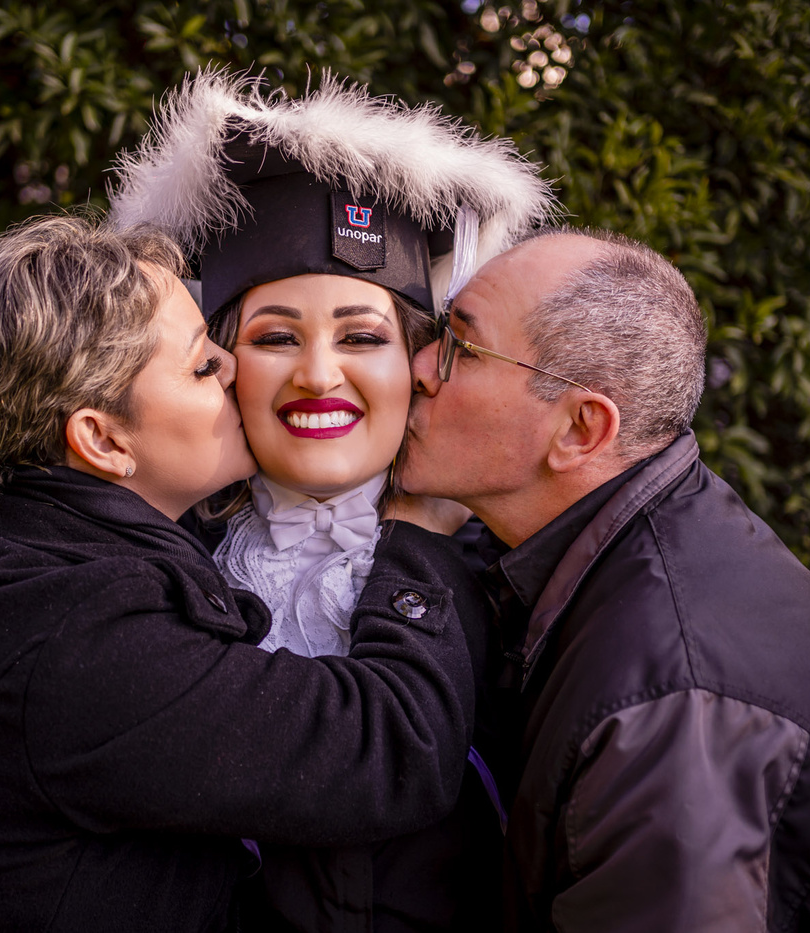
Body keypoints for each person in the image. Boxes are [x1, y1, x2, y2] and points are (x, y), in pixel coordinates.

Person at [0, 214, 484, 932]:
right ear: (101, 439)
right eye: (202, 365)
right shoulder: (87, 625)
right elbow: (392, 748)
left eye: (363, 336)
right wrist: (418, 535)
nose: (232, 367)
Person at [105, 72, 553, 933]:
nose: (318, 374)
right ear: (221, 363)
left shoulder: (512, 578)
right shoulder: (142, 564)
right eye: (276, 336)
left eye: (362, 336)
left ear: (417, 361)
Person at [399, 228, 810, 932]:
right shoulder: (600, 545)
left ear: (581, 430)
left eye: (462, 348)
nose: (417, 365)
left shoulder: (675, 708)